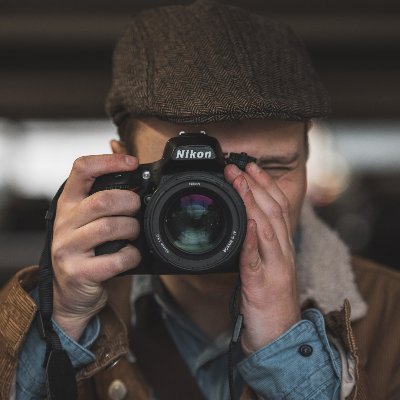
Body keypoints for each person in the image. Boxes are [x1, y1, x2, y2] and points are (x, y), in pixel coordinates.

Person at [1, 1, 399, 399]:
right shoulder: (65, 303)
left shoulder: (391, 315)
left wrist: (287, 349)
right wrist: (58, 324)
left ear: (308, 165)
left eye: (272, 169)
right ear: (120, 166)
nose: (229, 200)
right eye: (190, 177)